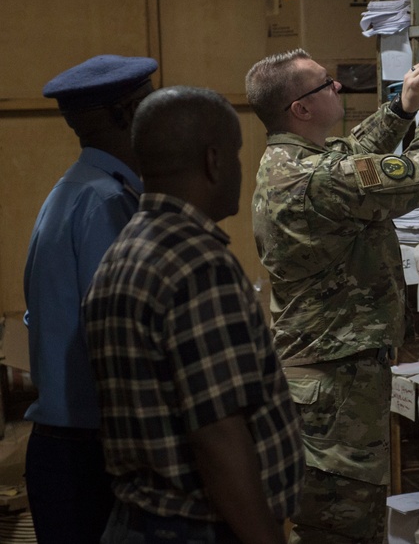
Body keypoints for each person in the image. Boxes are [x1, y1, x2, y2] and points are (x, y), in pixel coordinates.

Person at [245, 50, 419, 543]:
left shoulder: (290, 160)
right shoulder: (314, 180)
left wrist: (401, 110)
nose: (338, 88)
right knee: (343, 531)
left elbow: (349, 159)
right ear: (300, 109)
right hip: (336, 390)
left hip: (326, 380)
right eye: (326, 85)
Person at [82, 86, 305, 544]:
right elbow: (219, 437)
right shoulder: (199, 266)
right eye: (239, 155)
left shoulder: (122, 252)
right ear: (214, 160)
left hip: (137, 522)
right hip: (195, 529)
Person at [23, 54, 158, 544]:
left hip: (70, 448)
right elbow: (120, 337)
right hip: (90, 454)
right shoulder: (105, 202)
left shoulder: (76, 190)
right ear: (127, 113)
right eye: (149, 103)